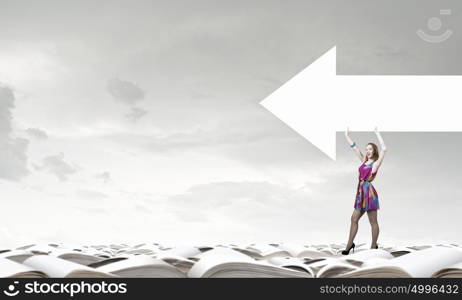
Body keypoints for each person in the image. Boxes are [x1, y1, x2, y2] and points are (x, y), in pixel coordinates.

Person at [341, 127, 387, 255]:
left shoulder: (376, 163)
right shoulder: (363, 161)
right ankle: (349, 245)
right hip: (360, 193)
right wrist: (346, 135)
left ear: (374, 151)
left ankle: (373, 247)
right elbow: (354, 148)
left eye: (370, 149)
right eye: (366, 149)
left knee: (373, 222)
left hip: (369, 193)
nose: (367, 151)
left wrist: (377, 133)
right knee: (353, 219)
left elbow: (384, 149)